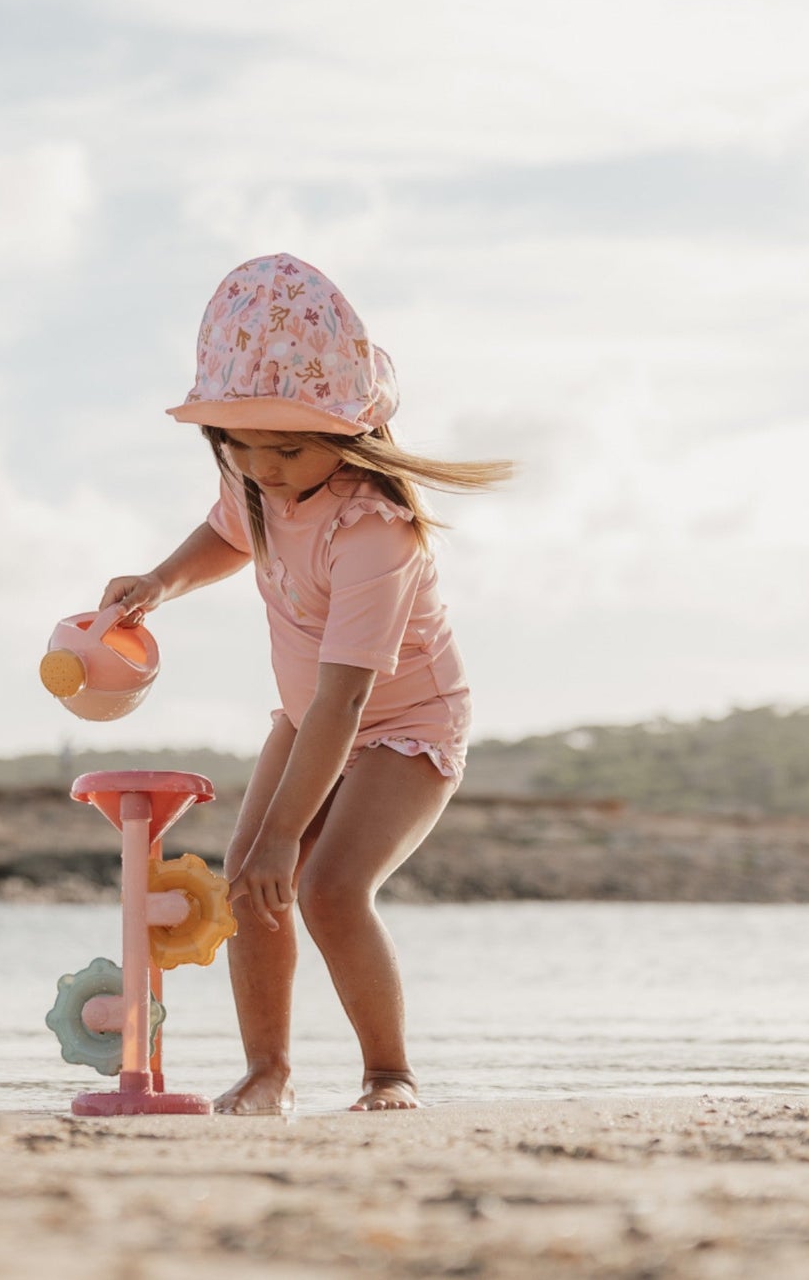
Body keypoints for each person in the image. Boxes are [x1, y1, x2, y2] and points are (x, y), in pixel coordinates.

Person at [99, 253, 511, 1114]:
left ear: (345, 431)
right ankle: (268, 1071)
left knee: (323, 885)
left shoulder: (376, 532)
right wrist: (159, 583)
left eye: (286, 447)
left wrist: (291, 831)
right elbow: (226, 530)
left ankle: (387, 1074)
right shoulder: (255, 479)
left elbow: (347, 699)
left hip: (402, 723)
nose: (264, 468)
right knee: (249, 880)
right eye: (240, 447)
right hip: (305, 713)